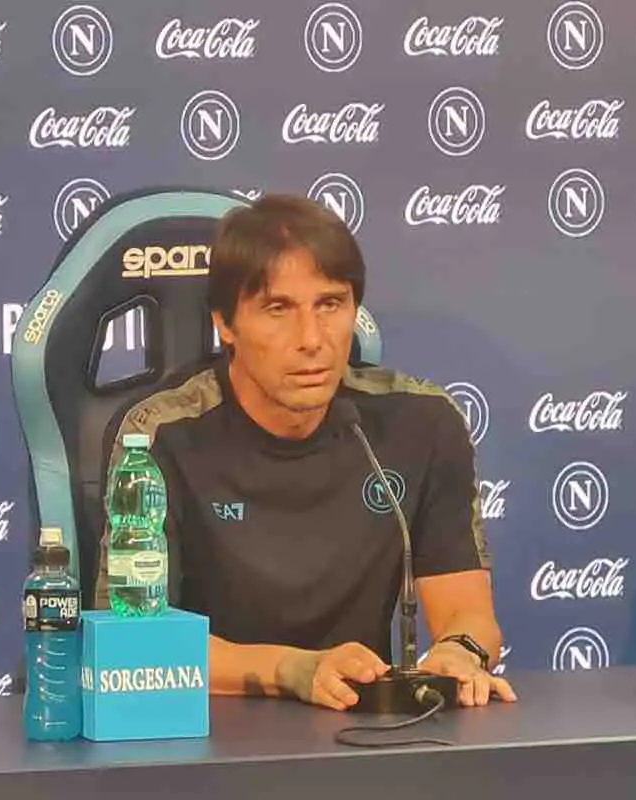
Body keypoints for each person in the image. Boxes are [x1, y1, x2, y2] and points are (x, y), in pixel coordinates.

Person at [94, 193, 516, 710]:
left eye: (330, 305)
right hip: (202, 732)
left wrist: (459, 652)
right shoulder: (160, 436)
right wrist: (294, 670)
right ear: (225, 323)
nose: (312, 339)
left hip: (358, 731)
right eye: (278, 309)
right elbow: (134, 643)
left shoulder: (422, 424)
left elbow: (468, 615)